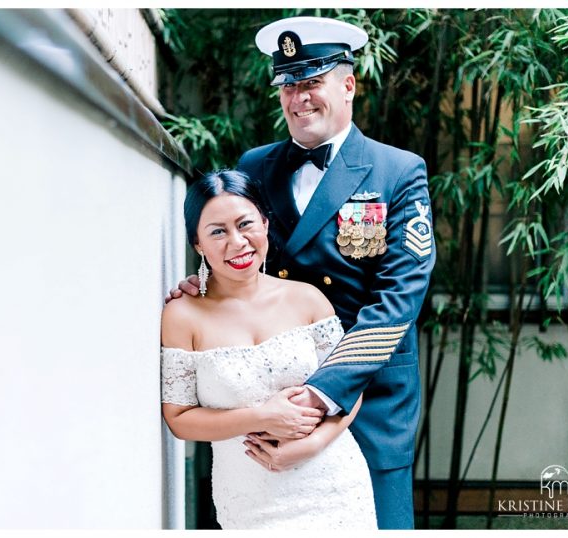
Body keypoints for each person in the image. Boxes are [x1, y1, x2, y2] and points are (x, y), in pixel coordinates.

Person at [167, 16, 435, 529]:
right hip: (267, 401)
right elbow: (239, 247)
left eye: (312, 81)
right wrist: (203, 286)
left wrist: (318, 397)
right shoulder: (258, 164)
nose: (299, 98)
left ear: (349, 83)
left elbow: (399, 297)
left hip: (366, 394)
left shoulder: (396, 170)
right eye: (289, 84)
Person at [160, 169, 377, 529]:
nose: (236, 242)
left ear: (264, 223)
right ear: (197, 243)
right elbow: (179, 419)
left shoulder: (307, 299)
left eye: (245, 224)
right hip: (249, 499)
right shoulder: (182, 315)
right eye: (217, 231)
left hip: (334, 484)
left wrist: (311, 443)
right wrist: (262, 417)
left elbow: (350, 390)